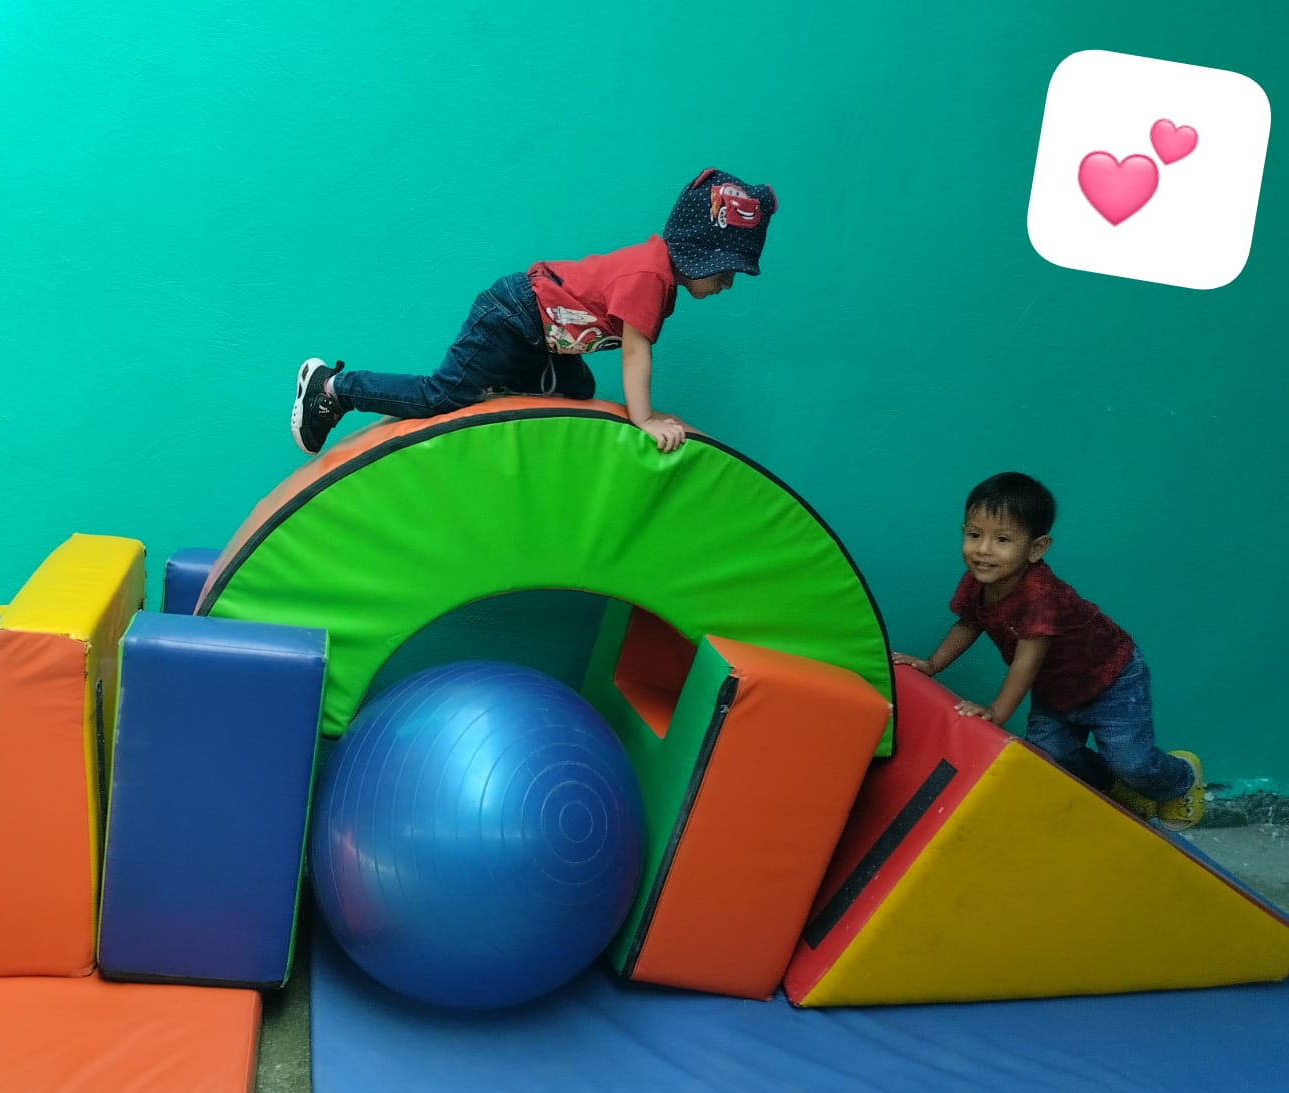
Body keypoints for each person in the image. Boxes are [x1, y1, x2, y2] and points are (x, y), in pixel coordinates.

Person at [290, 167, 778, 456]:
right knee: (442, 396)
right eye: (724, 272)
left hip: (538, 334)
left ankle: (497, 385)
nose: (727, 284)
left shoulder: (659, 276)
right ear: (698, 254)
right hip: (513, 316)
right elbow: (635, 354)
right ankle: (334, 389)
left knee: (578, 390)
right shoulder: (650, 277)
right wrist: (645, 419)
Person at [892, 472, 1205, 831]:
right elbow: (968, 623)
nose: (983, 550)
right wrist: (932, 664)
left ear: (1036, 548)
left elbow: (1027, 661)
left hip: (1110, 680)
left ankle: (1181, 779)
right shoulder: (980, 581)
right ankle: (1117, 788)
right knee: (1050, 758)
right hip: (1056, 691)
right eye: (974, 535)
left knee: (1131, 761)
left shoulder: (1039, 596)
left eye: (1002, 539)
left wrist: (996, 712)